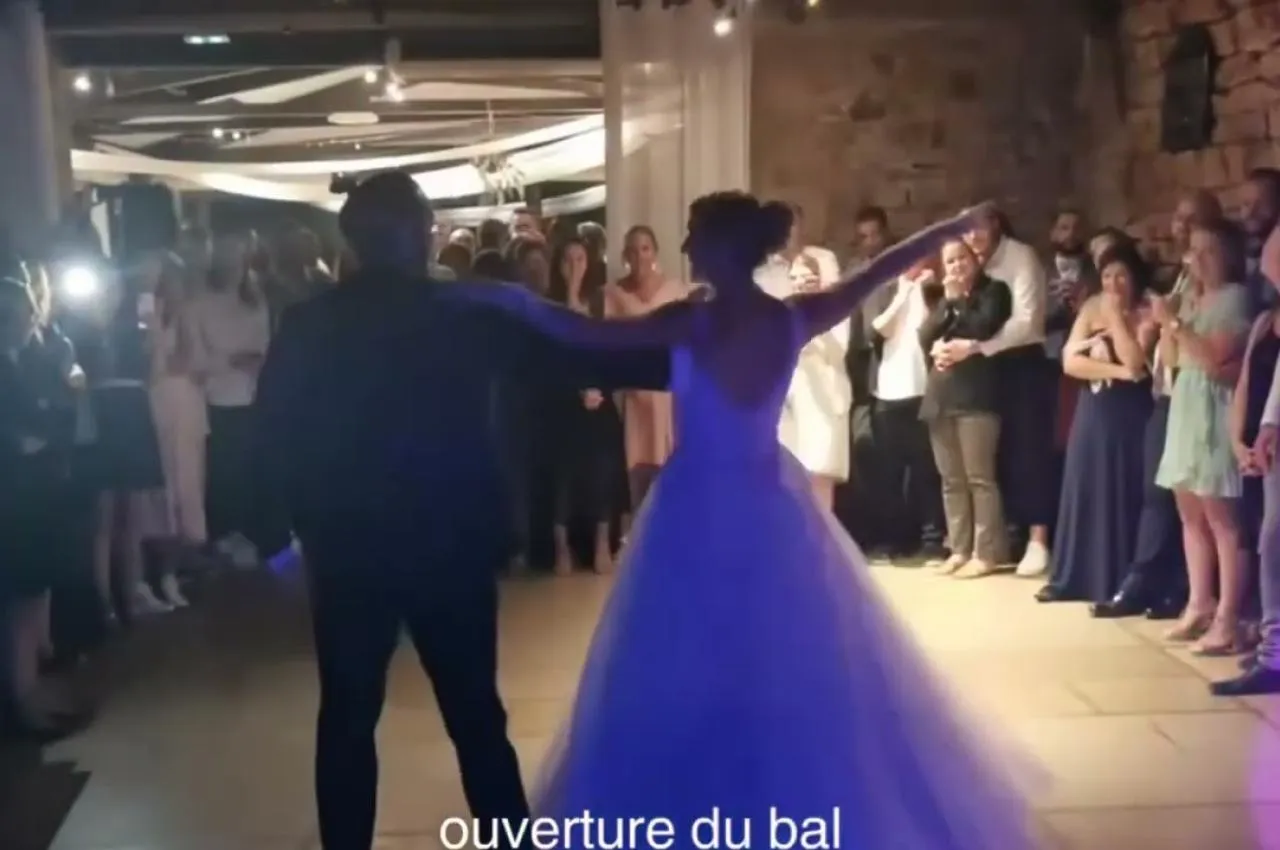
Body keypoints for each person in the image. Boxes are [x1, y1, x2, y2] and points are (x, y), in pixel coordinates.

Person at [446, 193, 1035, 849]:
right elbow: (877, 271)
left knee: (690, 656)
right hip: (766, 501)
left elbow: (588, 335)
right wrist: (946, 226)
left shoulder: (691, 321)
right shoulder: (789, 317)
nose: (686, 246)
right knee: (776, 654)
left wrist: (512, 301)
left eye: (694, 235)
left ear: (723, 248)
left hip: (695, 507)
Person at [253, 171, 672, 850]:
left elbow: (273, 430)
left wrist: (294, 531)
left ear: (354, 238)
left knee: (348, 722)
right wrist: (688, 362)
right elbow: (566, 359)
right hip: (448, 540)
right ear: (418, 234)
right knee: (476, 719)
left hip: (350, 547)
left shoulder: (311, 323)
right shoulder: (461, 312)